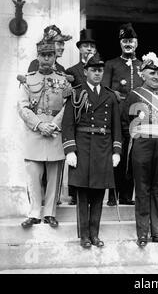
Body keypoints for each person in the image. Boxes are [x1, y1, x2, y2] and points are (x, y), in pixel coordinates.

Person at [62, 54, 122, 249]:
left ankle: (95, 235)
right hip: (82, 146)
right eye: (93, 70)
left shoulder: (110, 95)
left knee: (98, 194)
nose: (97, 73)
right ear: (86, 72)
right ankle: (84, 236)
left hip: (103, 148)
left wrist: (116, 151)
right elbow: (68, 124)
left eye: (100, 70)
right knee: (82, 194)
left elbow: (116, 127)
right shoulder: (76, 93)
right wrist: (70, 150)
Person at [17, 40, 71, 229]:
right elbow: (23, 107)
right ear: (37, 56)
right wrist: (40, 125)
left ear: (55, 57)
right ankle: (34, 213)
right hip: (35, 132)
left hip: (55, 133)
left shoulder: (64, 80)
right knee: (33, 174)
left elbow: (67, 107)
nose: (46, 58)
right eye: (43, 55)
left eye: (50, 55)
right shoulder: (27, 79)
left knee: (54, 175)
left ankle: (49, 213)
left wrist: (53, 125)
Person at [123, 52, 158, 248]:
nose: (156, 77)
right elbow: (125, 121)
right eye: (152, 73)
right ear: (143, 74)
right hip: (142, 143)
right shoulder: (134, 95)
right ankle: (143, 233)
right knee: (142, 189)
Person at [102, 23, 143, 206]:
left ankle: (127, 196)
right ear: (120, 43)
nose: (128, 44)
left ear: (137, 43)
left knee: (134, 156)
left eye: (131, 41)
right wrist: (115, 94)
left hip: (139, 117)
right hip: (118, 116)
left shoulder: (142, 65)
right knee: (117, 154)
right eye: (125, 41)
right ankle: (113, 195)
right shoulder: (111, 64)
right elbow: (104, 88)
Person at [65, 29, 97, 205]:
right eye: (85, 46)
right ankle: (73, 194)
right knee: (76, 157)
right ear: (79, 49)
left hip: (96, 118)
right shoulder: (72, 70)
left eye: (92, 46)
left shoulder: (100, 69)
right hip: (79, 118)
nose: (89, 49)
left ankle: (91, 192)